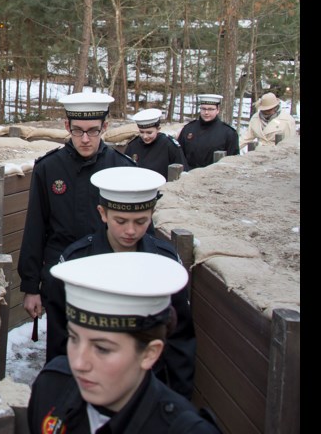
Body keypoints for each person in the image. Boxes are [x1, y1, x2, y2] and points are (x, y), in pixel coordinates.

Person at [45, 167, 196, 400]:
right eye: (121, 220)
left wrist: (176, 398)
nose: (130, 231)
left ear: (152, 214)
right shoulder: (76, 262)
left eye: (141, 221)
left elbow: (180, 338)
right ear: (102, 213)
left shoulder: (164, 261)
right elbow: (60, 337)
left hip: (148, 391)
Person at [28, 252, 220, 433]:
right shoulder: (51, 388)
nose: (78, 363)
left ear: (149, 353)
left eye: (102, 349)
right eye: (74, 338)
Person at [18, 91, 136, 357]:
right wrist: (30, 286)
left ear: (105, 127)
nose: (85, 139)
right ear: (66, 126)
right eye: (78, 131)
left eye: (93, 131)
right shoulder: (49, 168)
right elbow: (35, 228)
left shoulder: (121, 168)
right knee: (61, 353)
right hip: (60, 277)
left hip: (107, 277)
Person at [177, 94, 239, 169]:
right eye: (203, 109)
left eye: (210, 109)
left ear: (218, 110)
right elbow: (178, 155)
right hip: (188, 176)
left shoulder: (228, 133)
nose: (206, 112)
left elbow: (232, 161)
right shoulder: (188, 129)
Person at [124, 108, 188, 178]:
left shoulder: (169, 145)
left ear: (158, 129)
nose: (145, 136)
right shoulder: (133, 145)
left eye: (149, 132)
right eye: (141, 132)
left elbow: (182, 173)